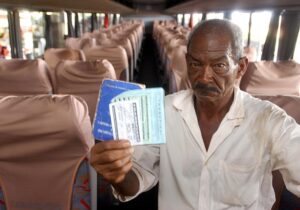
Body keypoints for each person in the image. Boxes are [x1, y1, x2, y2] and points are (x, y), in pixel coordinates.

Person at [90, 19, 300, 210]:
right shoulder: (162, 111)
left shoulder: (269, 120)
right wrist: (118, 175)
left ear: (241, 67)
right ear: (186, 61)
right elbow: (135, 179)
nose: (205, 76)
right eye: (196, 64)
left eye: (219, 65)